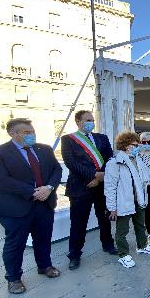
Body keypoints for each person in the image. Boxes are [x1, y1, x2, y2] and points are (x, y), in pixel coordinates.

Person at [0, 118, 62, 294]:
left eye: (32, 131)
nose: (32, 135)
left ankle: (45, 266)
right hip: (15, 207)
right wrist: (34, 191)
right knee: (15, 244)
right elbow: (1, 180)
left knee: (43, 238)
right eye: (26, 133)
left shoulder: (44, 149)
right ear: (13, 133)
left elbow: (56, 170)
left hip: (44, 204)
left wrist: (49, 188)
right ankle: (13, 278)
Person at [104, 131, 150, 269]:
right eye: (135, 145)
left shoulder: (137, 160)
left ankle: (142, 246)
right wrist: (112, 208)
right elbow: (110, 188)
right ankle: (123, 255)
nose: (138, 147)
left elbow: (149, 176)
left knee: (140, 225)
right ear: (126, 146)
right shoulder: (115, 163)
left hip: (139, 199)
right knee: (122, 230)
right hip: (123, 202)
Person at [61, 110, 116, 271]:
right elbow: (71, 163)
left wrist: (99, 178)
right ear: (78, 122)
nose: (91, 122)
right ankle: (74, 255)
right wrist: (92, 175)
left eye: (92, 120)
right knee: (78, 223)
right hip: (80, 187)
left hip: (101, 185)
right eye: (87, 120)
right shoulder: (68, 139)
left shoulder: (102, 138)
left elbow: (109, 158)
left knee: (104, 218)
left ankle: (108, 245)